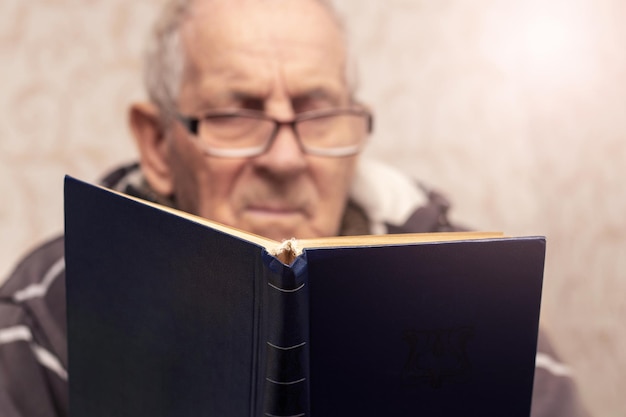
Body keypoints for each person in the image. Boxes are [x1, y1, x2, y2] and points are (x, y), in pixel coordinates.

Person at [0, 0, 590, 416]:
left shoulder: (480, 296)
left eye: (317, 112)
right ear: (158, 144)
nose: (285, 159)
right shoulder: (43, 314)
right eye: (237, 113)